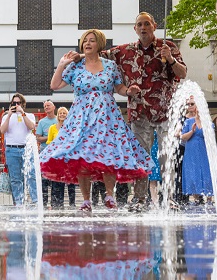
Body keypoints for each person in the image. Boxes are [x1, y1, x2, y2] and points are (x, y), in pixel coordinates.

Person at [41, 29, 152, 212]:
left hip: (107, 117)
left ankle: (110, 195)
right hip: (82, 118)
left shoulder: (109, 66)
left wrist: (129, 91)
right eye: (85, 41)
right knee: (82, 158)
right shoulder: (76, 66)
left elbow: (119, 87)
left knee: (109, 155)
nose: (87, 43)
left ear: (99, 44)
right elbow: (55, 85)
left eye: (92, 40)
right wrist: (61, 64)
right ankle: (85, 201)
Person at [102, 12, 187, 210]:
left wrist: (171, 60)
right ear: (135, 29)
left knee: (167, 156)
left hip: (165, 111)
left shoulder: (169, 47)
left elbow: (183, 73)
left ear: (154, 26)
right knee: (141, 157)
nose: (143, 28)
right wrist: (77, 56)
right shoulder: (125, 51)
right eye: (139, 24)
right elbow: (99, 56)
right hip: (139, 112)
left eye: (147, 24)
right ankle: (140, 199)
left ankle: (168, 199)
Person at [0, 93, 38, 206]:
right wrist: (10, 115)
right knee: (15, 179)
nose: (16, 105)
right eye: (14, 103)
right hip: (12, 149)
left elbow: (31, 127)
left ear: (23, 104)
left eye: (18, 103)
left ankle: (35, 201)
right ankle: (19, 202)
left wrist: (22, 113)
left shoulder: (29, 115)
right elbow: (2, 130)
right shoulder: (7, 117)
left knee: (31, 176)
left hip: (26, 149)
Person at [180, 98, 214, 204]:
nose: (190, 106)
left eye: (193, 104)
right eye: (188, 104)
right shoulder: (188, 121)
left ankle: (209, 198)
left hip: (204, 151)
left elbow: (211, 137)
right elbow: (183, 137)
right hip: (191, 151)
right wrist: (192, 131)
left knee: (206, 172)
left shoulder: (208, 122)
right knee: (193, 172)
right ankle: (196, 198)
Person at [46, 107, 76, 208]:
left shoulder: (71, 127)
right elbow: (48, 142)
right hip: (56, 158)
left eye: (64, 113)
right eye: (60, 113)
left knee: (70, 181)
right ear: (57, 115)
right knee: (57, 181)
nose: (62, 114)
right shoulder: (52, 128)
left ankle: (72, 203)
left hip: (68, 158)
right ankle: (57, 203)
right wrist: (57, 143)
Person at [36, 100, 58, 201]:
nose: (46, 107)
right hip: (44, 151)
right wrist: (50, 137)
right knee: (44, 178)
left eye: (48, 105)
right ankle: (44, 201)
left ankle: (55, 201)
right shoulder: (42, 122)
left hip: (57, 153)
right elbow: (38, 138)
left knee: (55, 178)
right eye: (45, 106)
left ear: (54, 107)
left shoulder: (59, 120)